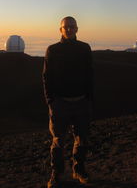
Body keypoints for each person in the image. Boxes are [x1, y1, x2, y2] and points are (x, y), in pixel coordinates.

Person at [43, 16, 94, 188]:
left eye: (72, 27)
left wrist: (89, 98)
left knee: (82, 138)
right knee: (58, 140)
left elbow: (90, 74)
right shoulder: (53, 50)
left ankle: (78, 170)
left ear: (77, 29)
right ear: (61, 30)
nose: (69, 29)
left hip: (81, 102)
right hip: (60, 103)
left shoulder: (84, 48)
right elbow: (46, 77)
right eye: (66, 27)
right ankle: (56, 174)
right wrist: (51, 101)